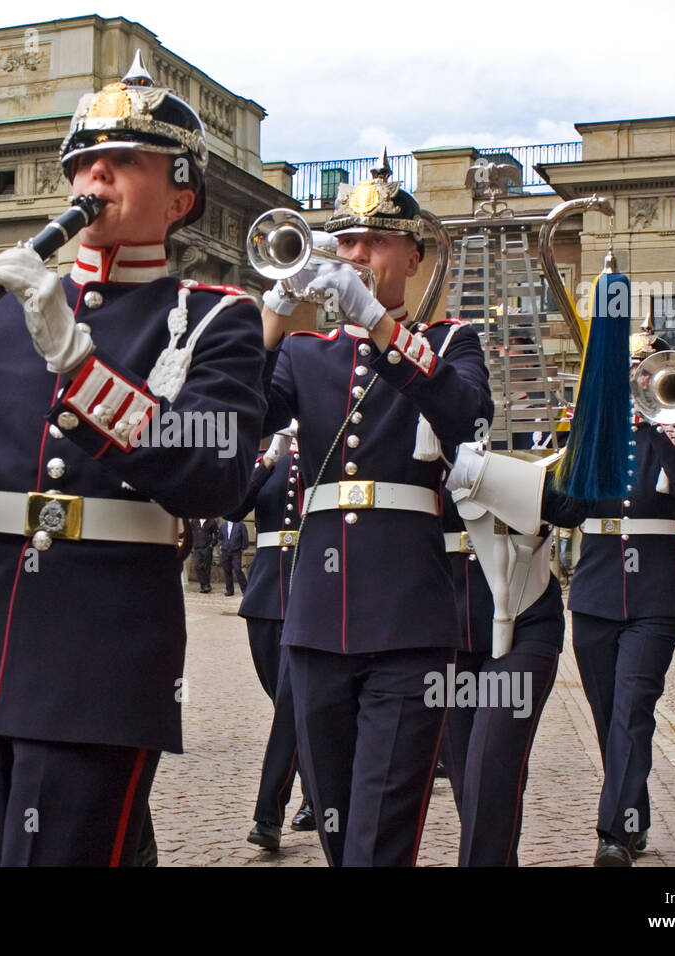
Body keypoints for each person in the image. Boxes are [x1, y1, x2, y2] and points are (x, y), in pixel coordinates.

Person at [0, 52, 267, 865]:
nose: (94, 175)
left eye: (123, 161)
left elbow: (215, 474)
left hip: (105, 654)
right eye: (83, 160)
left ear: (181, 196)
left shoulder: (216, 317)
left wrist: (77, 362)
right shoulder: (3, 316)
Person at [260, 155, 493, 866]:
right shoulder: (305, 353)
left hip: (408, 618)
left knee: (379, 834)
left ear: (413, 256)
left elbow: (463, 414)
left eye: (376, 241)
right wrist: (268, 320)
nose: (356, 255)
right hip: (318, 617)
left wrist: (383, 331)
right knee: (335, 827)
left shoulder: (452, 344)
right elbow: (238, 422)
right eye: (347, 241)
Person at [568, 322, 675, 866]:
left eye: (649, 371)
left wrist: (664, 428)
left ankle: (613, 836)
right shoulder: (593, 435)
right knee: (608, 716)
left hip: (653, 595)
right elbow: (567, 508)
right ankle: (634, 816)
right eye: (632, 373)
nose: (641, 380)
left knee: (631, 710)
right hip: (596, 590)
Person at [439, 450, 587, 866]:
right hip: (450, 630)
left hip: (524, 622)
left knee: (492, 764)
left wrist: (480, 469)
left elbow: (572, 506)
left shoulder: (532, 436)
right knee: (468, 778)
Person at [226, 427, 313, 850]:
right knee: (289, 701)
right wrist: (266, 462)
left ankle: (269, 814)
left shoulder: (327, 447)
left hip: (313, 587)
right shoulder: (268, 456)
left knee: (294, 697)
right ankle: (317, 793)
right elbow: (233, 507)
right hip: (265, 593)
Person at [217, 516, 249, 596]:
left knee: (238, 569)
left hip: (236, 551)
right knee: (227, 570)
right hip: (225, 551)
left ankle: (245, 589)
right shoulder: (223, 526)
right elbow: (219, 537)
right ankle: (230, 590)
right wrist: (221, 545)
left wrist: (243, 547)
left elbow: (245, 537)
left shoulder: (240, 524)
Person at [187, 517, 218, 593]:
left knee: (206, 567)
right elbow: (189, 532)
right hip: (197, 548)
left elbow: (217, 535)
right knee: (196, 566)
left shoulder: (211, 521)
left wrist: (211, 545)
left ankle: (205, 587)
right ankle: (205, 584)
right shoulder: (194, 521)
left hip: (207, 548)